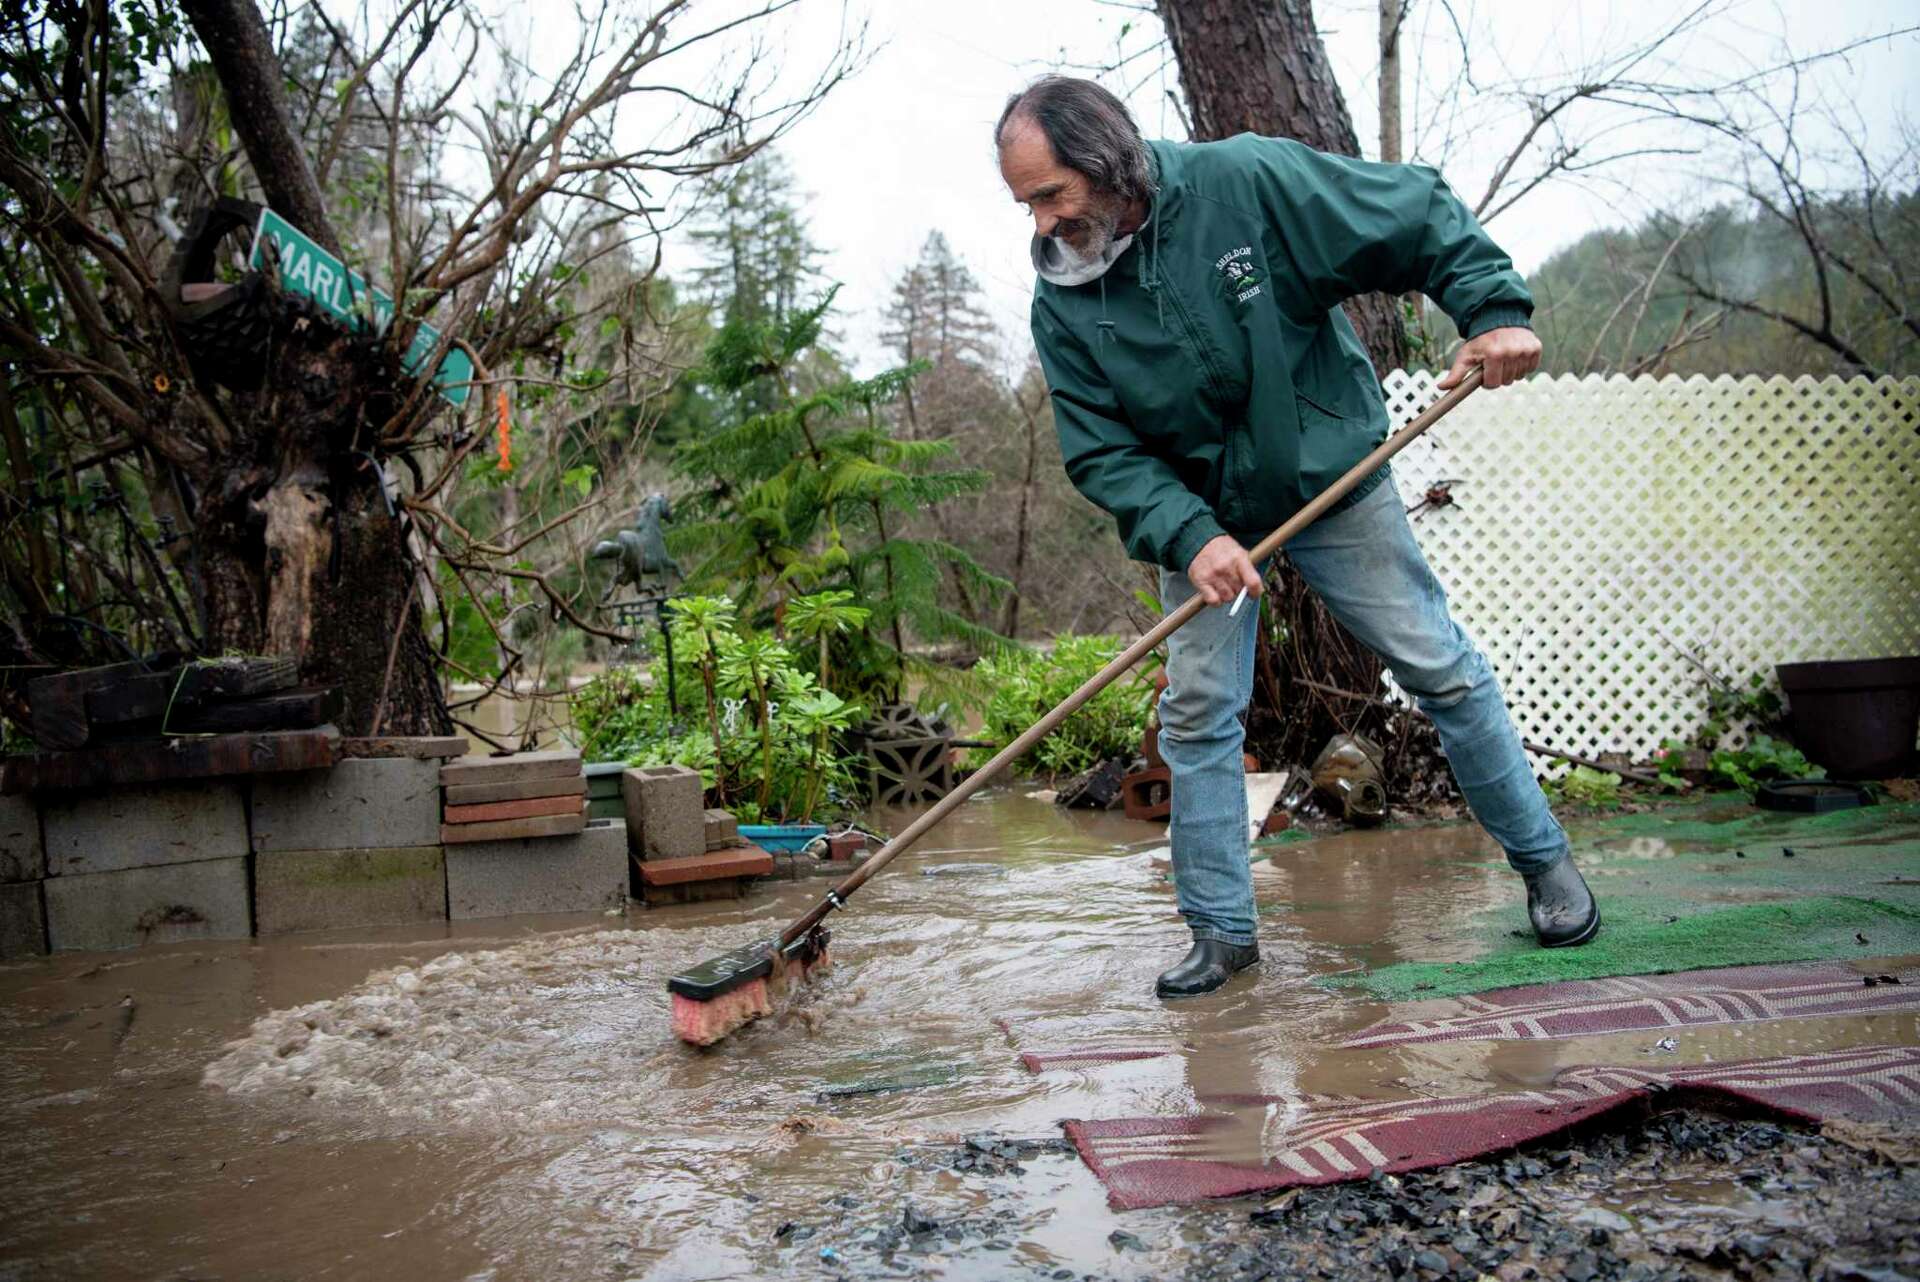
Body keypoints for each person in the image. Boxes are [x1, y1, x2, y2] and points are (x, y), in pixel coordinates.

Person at [997, 76, 1600, 1000]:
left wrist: (1492, 310)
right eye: (1025, 203)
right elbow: (1103, 451)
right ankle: (1221, 932)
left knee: (1438, 665)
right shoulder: (1064, 303)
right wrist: (1189, 534)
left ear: (1107, 160)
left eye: (1051, 195)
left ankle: (1546, 864)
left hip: (1326, 472)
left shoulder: (1246, 183)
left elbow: (1413, 212)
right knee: (1197, 717)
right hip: (1200, 514)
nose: (1041, 224)